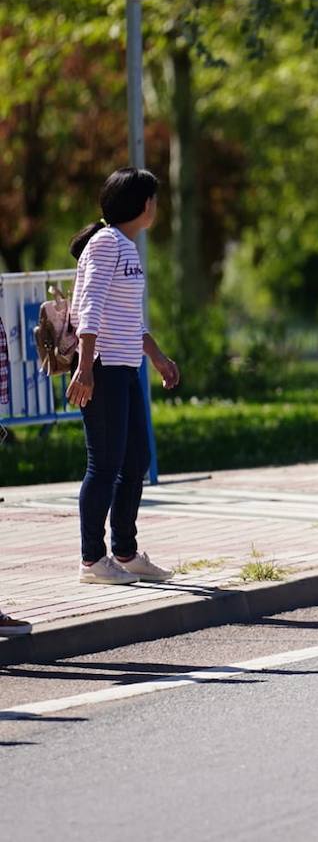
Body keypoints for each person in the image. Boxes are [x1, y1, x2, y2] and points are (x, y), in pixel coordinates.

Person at [66, 167, 180, 585]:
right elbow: (90, 308)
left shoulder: (126, 247)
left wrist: (158, 357)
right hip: (101, 369)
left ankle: (126, 552)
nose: (156, 206)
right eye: (154, 199)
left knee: (135, 462)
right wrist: (84, 367)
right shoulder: (105, 244)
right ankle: (92, 560)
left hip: (125, 367)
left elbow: (129, 319)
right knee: (105, 464)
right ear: (144, 204)